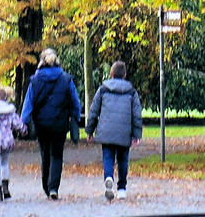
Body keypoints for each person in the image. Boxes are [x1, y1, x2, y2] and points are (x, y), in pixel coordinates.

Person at [21, 48, 83, 200]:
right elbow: (75, 101)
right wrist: (76, 116)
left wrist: (25, 121)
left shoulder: (35, 81)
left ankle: (46, 187)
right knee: (57, 155)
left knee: (45, 155)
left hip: (41, 124)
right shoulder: (66, 79)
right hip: (60, 123)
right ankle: (53, 186)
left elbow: (28, 103)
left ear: (41, 62)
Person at [86, 60, 143, 201]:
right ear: (124, 75)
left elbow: (93, 111)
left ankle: (109, 178)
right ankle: (122, 188)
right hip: (124, 132)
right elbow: (137, 114)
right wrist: (137, 134)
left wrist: (89, 130)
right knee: (123, 159)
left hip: (106, 131)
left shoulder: (103, 89)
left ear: (111, 73)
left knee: (108, 157)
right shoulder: (131, 92)